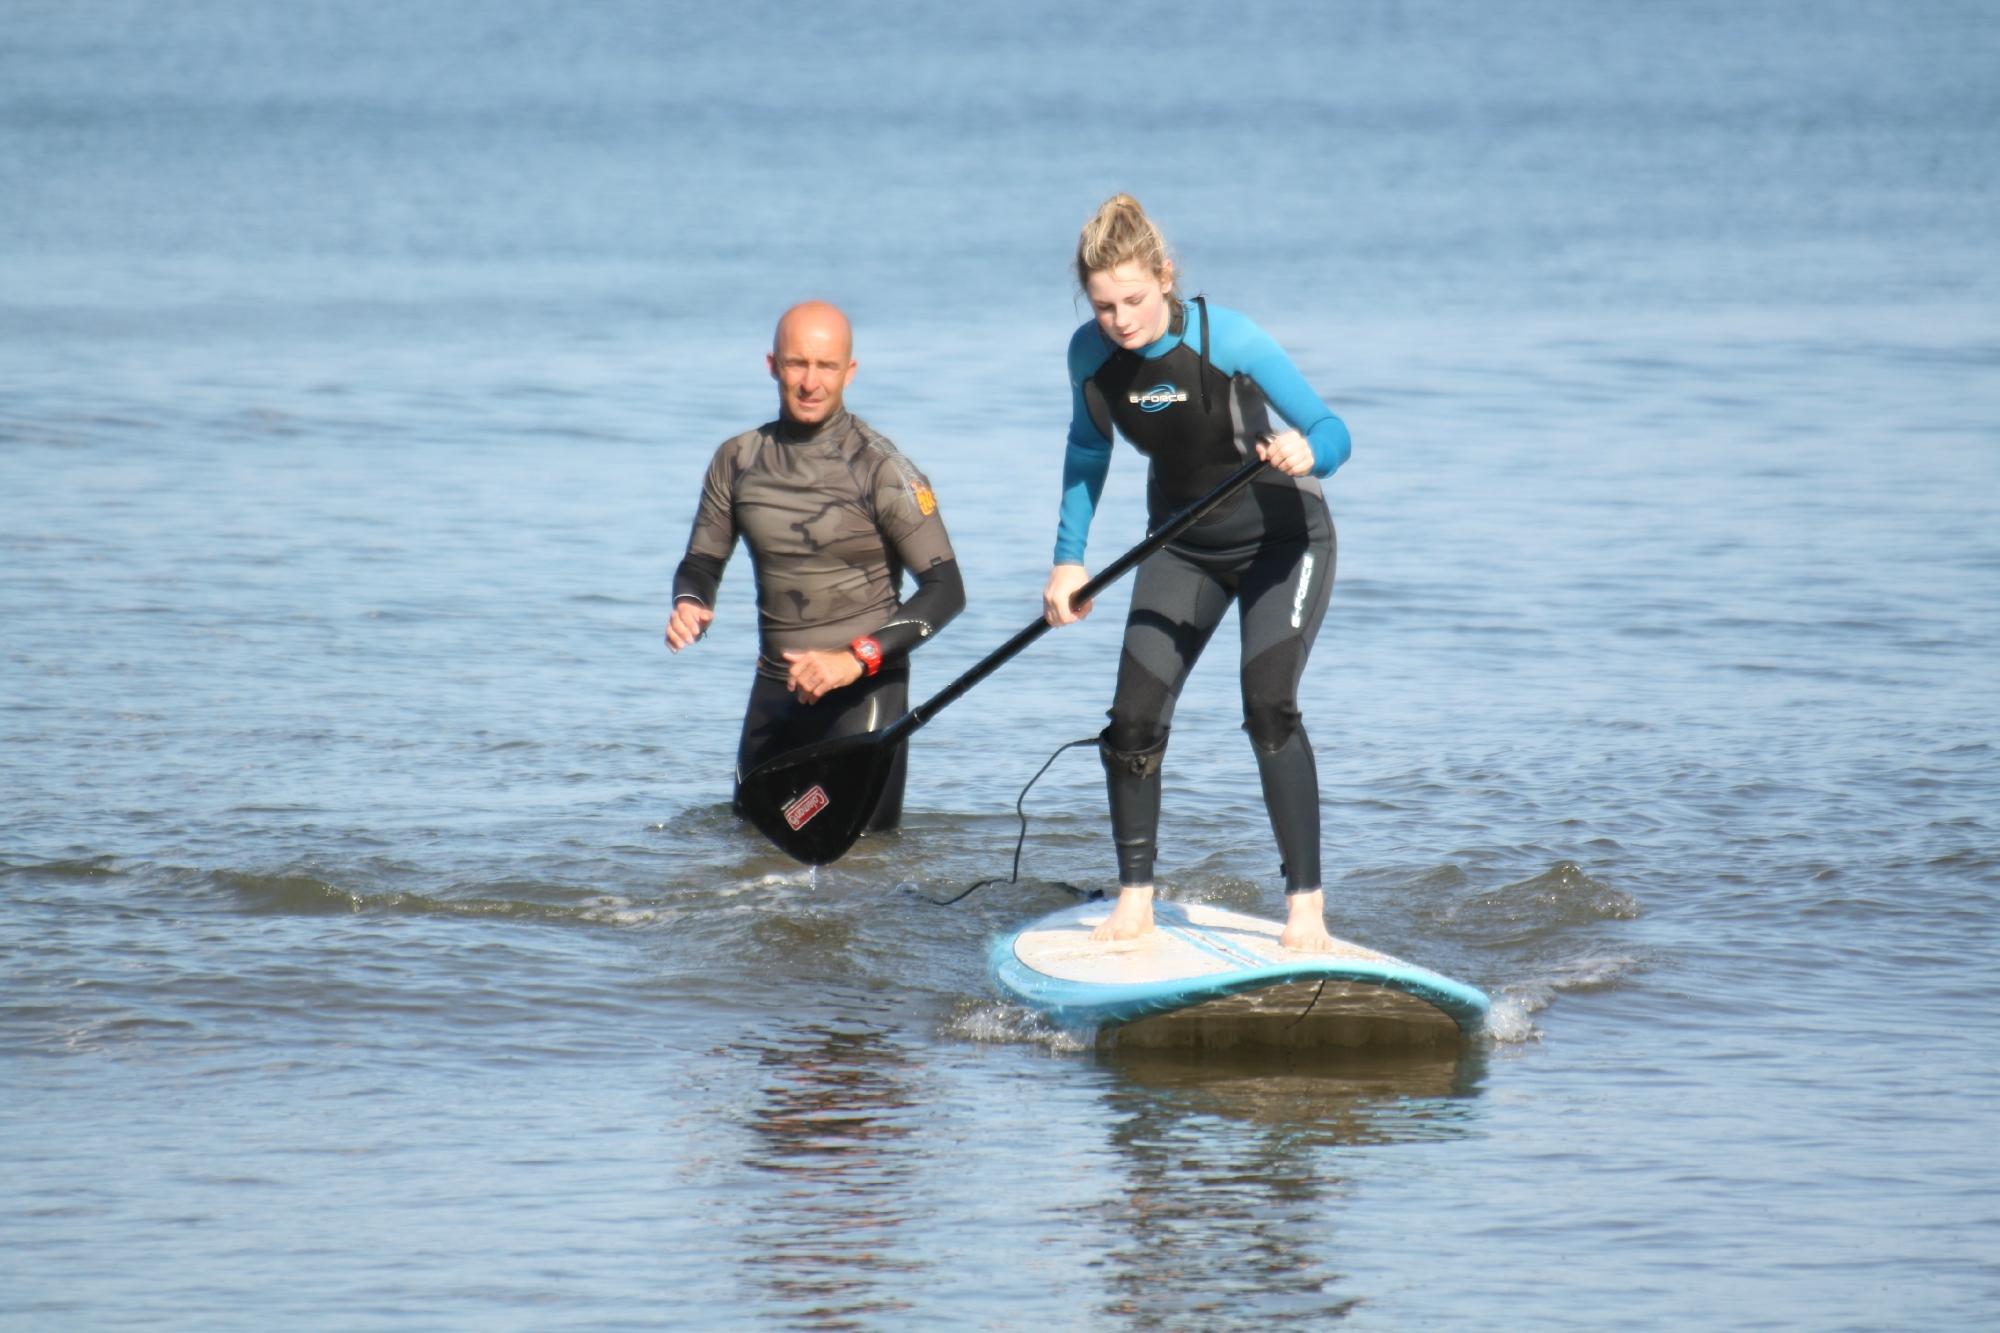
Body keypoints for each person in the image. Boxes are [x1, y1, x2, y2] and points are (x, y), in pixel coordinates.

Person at [1042, 195, 1351, 950]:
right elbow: (1089, 453)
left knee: (1267, 704)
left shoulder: (1229, 338)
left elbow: (1332, 430)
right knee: (1132, 724)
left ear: (1166, 276)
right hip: (1181, 545)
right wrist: (1067, 560)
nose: (1121, 318)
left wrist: (1312, 452)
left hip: (1285, 540)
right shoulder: (1091, 357)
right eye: (1104, 304)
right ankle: (1135, 902)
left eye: (1135, 299)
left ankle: (1305, 907)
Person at [667, 300, 963, 831]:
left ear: (849, 372)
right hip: (774, 697)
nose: (810, 382)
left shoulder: (883, 470)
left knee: (861, 867)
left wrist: (854, 659)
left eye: (826, 366)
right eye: (797, 364)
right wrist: (691, 600)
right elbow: (702, 561)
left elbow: (946, 590)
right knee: (749, 863)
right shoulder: (736, 460)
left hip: (863, 693)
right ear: (772, 365)